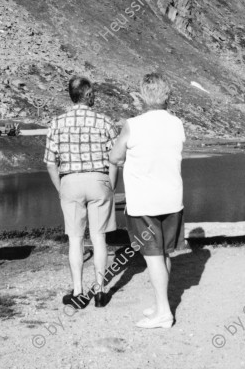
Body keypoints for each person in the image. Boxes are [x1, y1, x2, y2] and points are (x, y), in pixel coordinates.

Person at [109, 73, 185, 329]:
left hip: (144, 202)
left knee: (152, 257)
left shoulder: (133, 124)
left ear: (142, 96)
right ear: (167, 95)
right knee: (163, 253)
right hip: (172, 199)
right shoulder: (177, 124)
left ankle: (164, 313)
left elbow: (115, 157)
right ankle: (161, 303)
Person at [44, 76, 118, 309]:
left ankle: (78, 292)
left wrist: (60, 188)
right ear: (86, 95)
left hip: (70, 181)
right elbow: (115, 159)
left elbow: (50, 162)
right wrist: (111, 184)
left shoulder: (56, 123)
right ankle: (100, 291)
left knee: (75, 239)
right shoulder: (104, 121)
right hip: (99, 179)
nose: (95, 95)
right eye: (93, 92)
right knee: (99, 237)